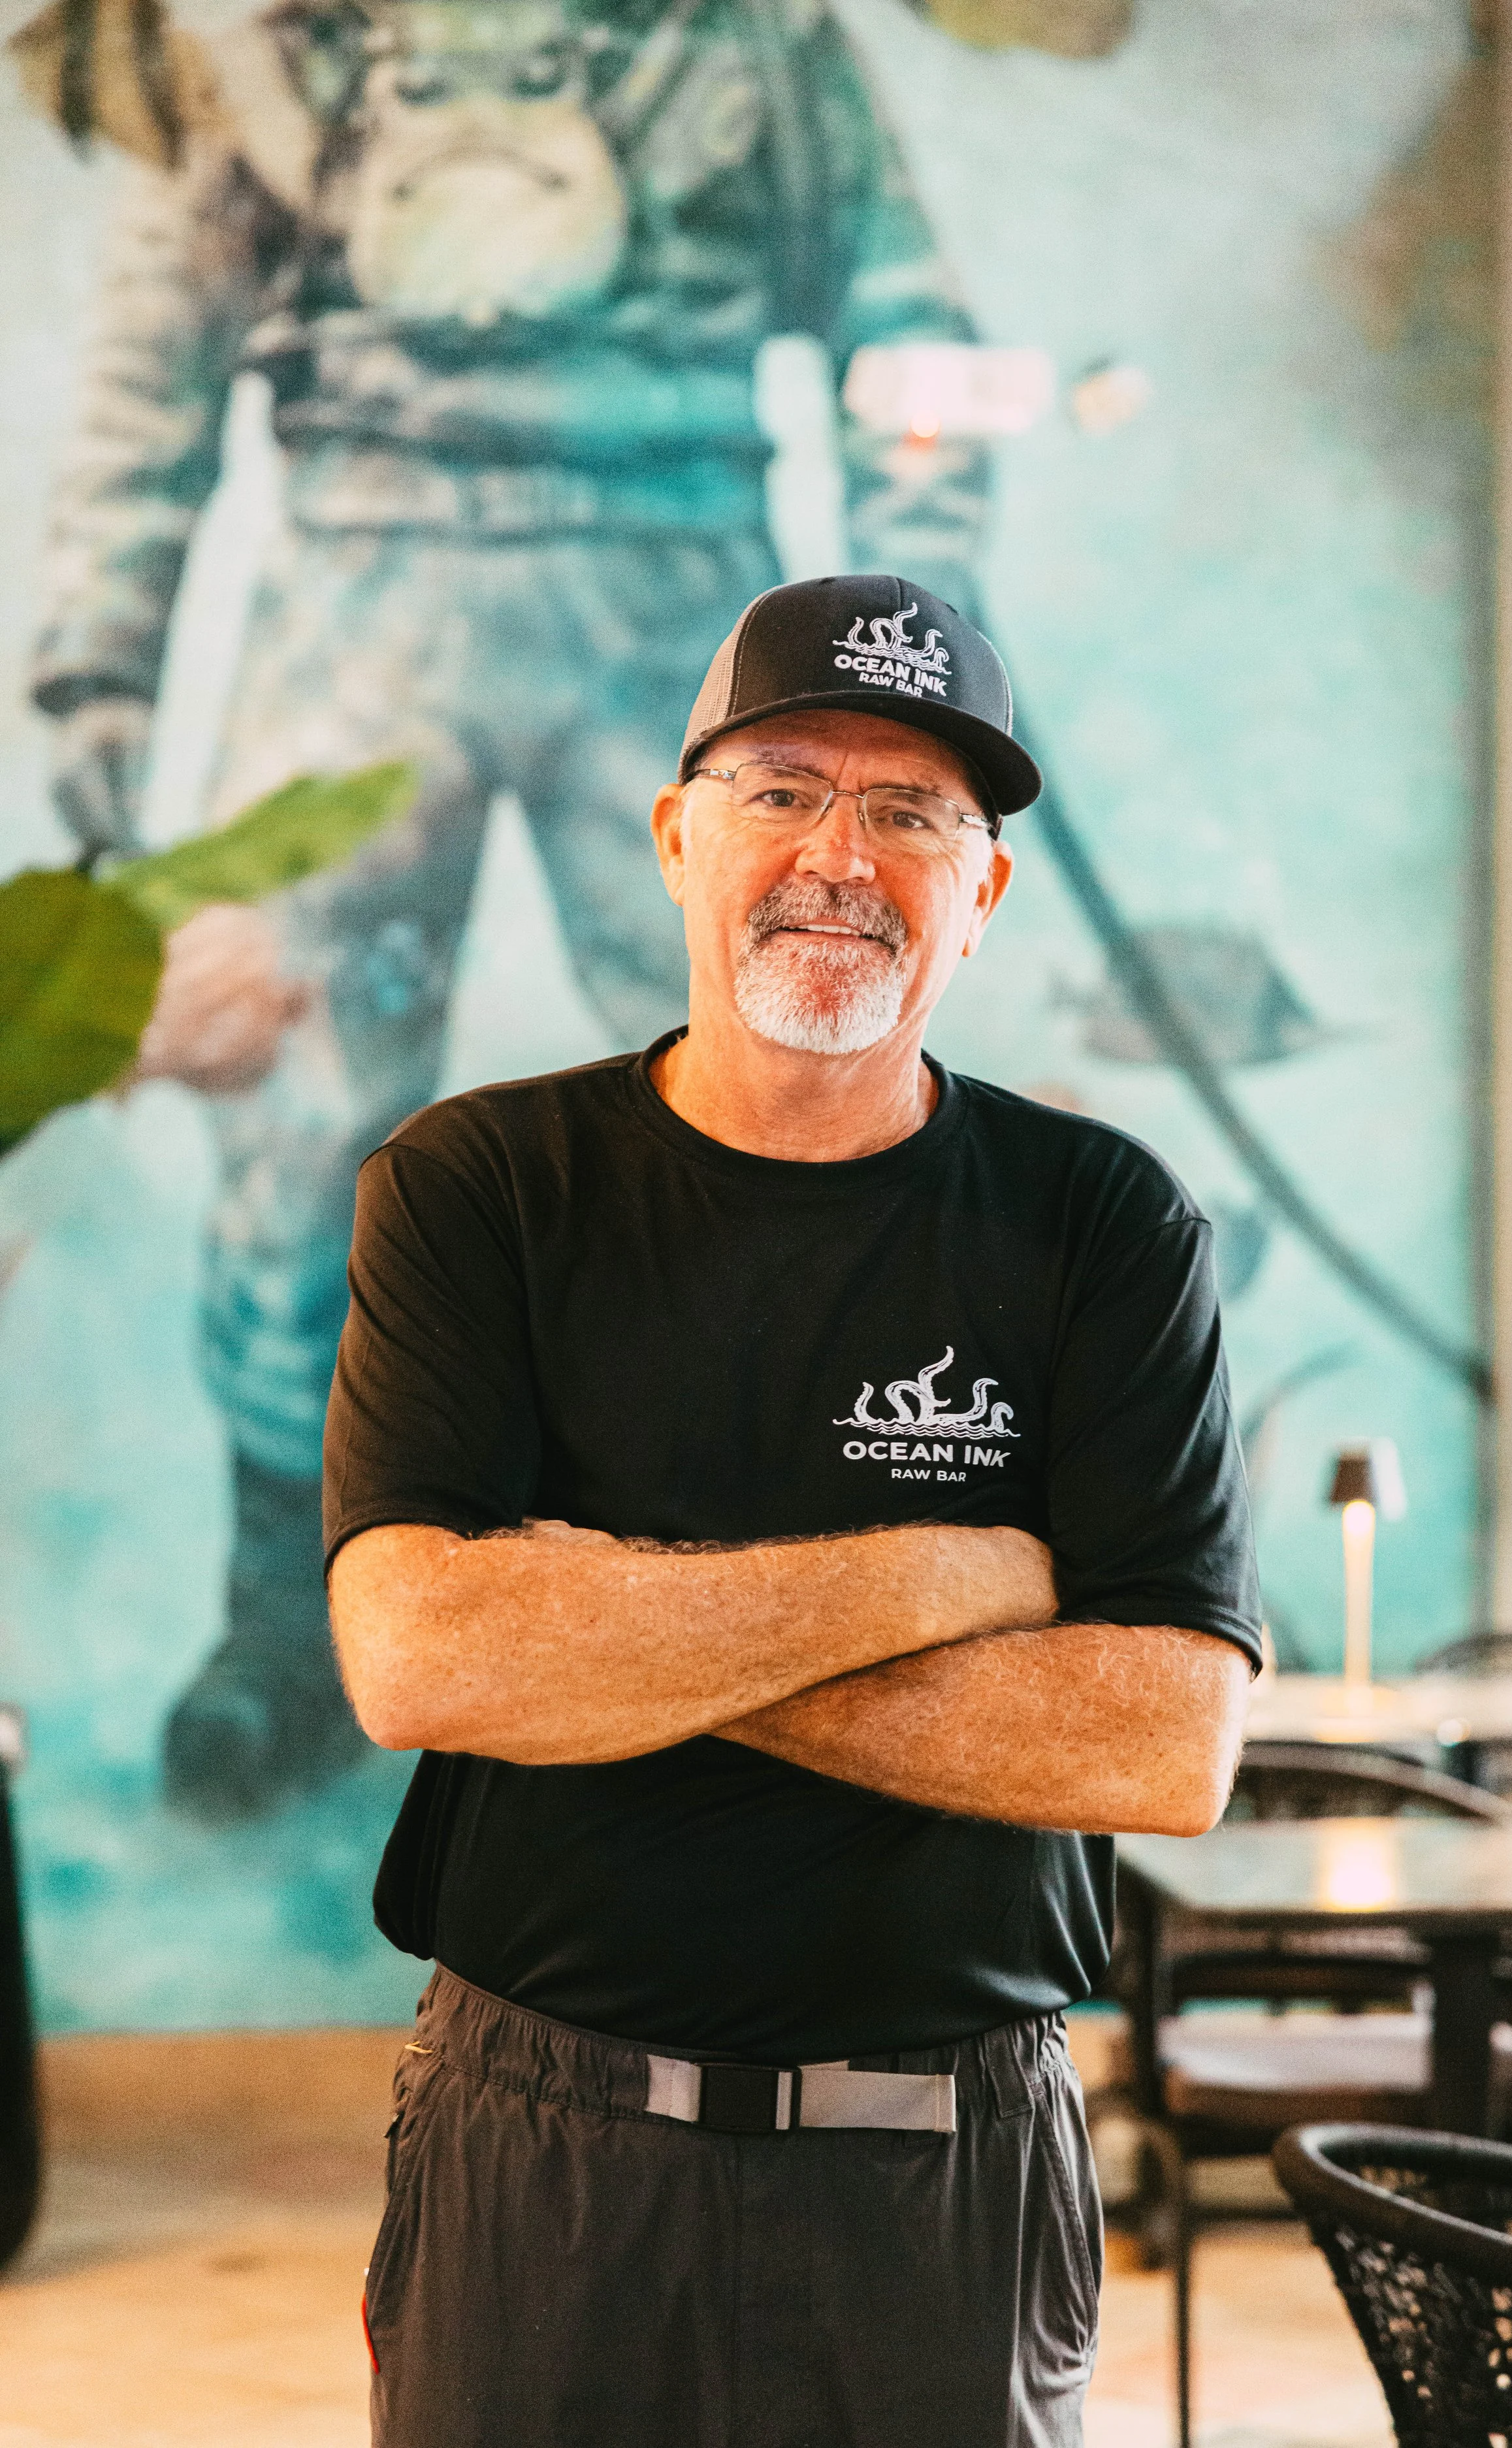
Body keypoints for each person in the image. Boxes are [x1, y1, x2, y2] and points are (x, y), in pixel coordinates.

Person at [323, 571, 1261, 2447]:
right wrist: (950, 1574)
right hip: (544, 2146)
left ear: (979, 894)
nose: (842, 852)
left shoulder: (1101, 1225)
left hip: (946, 2171)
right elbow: (422, 1653)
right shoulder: (482, 1187)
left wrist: (606, 1637)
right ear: (677, 840)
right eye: (784, 788)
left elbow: (1161, 1739)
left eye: (912, 812)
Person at [31, 0, 991, 1816]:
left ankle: (734, 1606)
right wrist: (97, 662)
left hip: (682, 598)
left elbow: (904, 325)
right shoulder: (272, 41)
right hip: (361, 592)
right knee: (302, 1136)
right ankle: (290, 1612)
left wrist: (916, 645)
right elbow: (157, 363)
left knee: (759, 1122)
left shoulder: (757, 38)